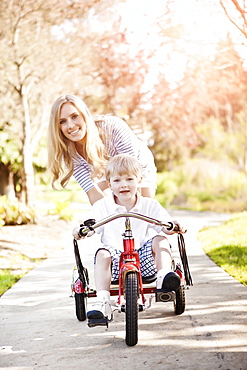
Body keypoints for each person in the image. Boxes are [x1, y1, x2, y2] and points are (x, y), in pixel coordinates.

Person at [73, 154, 185, 321]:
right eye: (117, 181)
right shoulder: (102, 206)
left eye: (129, 179)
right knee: (103, 253)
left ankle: (164, 277)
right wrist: (82, 230)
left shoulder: (149, 205)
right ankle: (103, 301)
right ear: (109, 184)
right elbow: (92, 227)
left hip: (144, 259)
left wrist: (174, 226)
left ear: (139, 180)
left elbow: (164, 225)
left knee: (160, 240)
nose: (123, 185)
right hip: (114, 262)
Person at [47, 94, 157, 205]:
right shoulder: (69, 153)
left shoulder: (113, 127)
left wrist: (135, 213)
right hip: (102, 170)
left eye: (74, 116)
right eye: (62, 121)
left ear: (84, 115)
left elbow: (132, 178)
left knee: (143, 205)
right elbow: (92, 193)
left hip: (137, 166)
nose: (70, 125)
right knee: (106, 206)